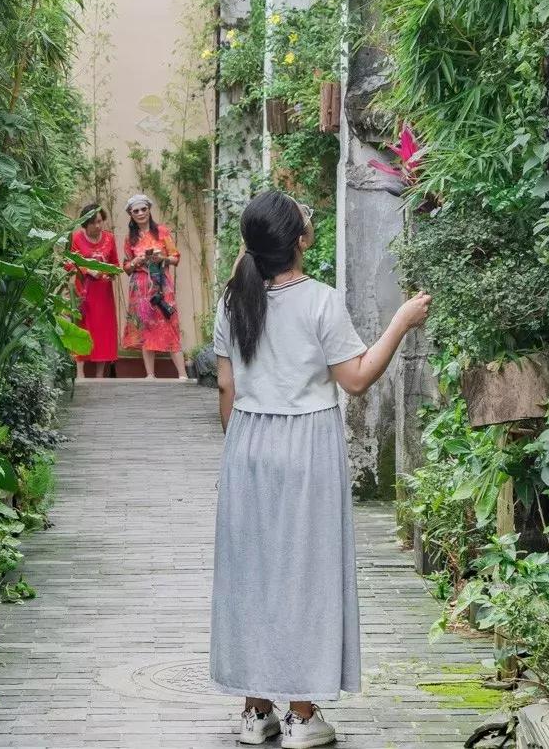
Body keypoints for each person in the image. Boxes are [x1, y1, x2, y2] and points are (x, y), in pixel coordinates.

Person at [209, 189, 431, 747]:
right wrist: (401, 321)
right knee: (304, 572)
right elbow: (356, 378)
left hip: (248, 443)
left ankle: (255, 712)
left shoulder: (232, 301)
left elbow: (226, 390)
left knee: (252, 574)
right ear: (300, 241)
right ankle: (302, 716)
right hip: (306, 445)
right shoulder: (320, 301)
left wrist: (243, 447)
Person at [122, 193, 189, 380]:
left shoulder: (162, 232)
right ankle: (150, 374)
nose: (141, 213)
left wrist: (162, 258)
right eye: (136, 210)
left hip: (161, 285)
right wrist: (136, 261)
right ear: (131, 214)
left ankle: (182, 375)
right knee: (145, 327)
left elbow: (175, 258)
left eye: (144, 209)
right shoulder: (130, 239)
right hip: (140, 287)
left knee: (169, 322)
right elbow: (126, 267)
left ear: (149, 210)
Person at [68, 203, 119, 379]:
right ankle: (80, 373)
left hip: (103, 293)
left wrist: (111, 274)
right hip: (84, 293)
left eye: (100, 221)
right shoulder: (75, 238)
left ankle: (100, 376)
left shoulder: (110, 238)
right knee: (82, 329)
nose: (98, 226)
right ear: (85, 223)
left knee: (103, 330)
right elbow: (69, 263)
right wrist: (87, 270)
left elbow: (115, 264)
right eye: (93, 222)